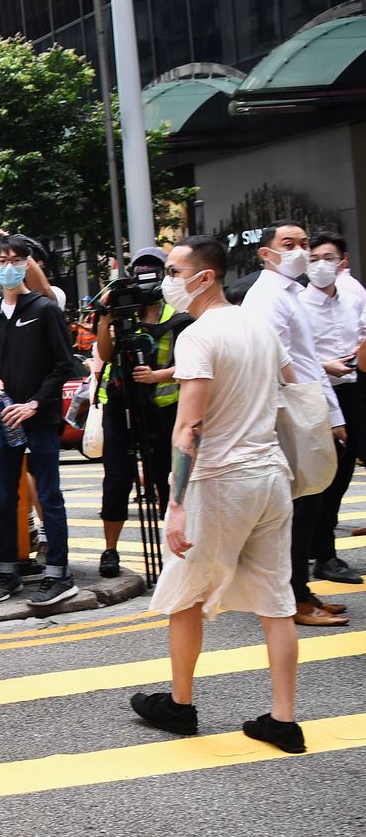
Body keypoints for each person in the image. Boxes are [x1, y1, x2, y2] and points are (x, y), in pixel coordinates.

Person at [127, 236, 306, 754]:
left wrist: (176, 505)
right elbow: (291, 387)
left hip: (221, 480)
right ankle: (283, 720)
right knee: (277, 601)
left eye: (175, 270)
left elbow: (188, 429)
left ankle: (180, 706)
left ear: (204, 277)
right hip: (271, 475)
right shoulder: (261, 327)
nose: (167, 280)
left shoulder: (198, 337)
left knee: (186, 593)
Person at [239, 220, 349, 626]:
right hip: (286, 411)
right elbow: (276, 361)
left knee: (307, 501)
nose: (301, 250)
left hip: (302, 407)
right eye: (290, 244)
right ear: (266, 253)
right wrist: (308, 410)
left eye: (304, 243)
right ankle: (292, 597)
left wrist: (330, 413)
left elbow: (306, 359)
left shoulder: (291, 293)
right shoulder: (267, 297)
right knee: (301, 505)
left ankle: (296, 591)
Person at [0, 235, 83, 607]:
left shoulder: (44, 309)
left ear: (26, 263)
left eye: (15, 259)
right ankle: (9, 572)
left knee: (49, 496)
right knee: (5, 498)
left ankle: (59, 573)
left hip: (39, 418)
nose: (7, 266)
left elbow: (63, 364)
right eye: (0, 259)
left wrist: (35, 404)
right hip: (7, 420)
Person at [93, 248, 193, 579]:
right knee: (117, 478)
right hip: (120, 407)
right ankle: (111, 550)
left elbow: (193, 365)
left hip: (164, 410)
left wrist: (156, 377)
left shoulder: (179, 314)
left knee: (167, 478)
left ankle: (174, 551)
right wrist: (107, 313)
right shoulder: (124, 310)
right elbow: (105, 356)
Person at [300, 232, 366, 586]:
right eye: (314, 258)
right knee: (325, 478)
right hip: (318, 395)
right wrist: (328, 366)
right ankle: (323, 555)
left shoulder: (352, 298)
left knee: (341, 477)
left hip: (353, 390)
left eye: (328, 258)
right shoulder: (299, 303)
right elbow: (298, 358)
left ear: (342, 262)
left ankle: (320, 547)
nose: (320, 265)